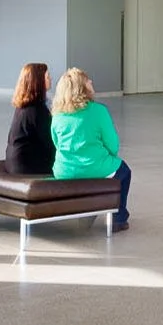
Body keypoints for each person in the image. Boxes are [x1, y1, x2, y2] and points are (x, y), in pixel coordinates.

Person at [50, 66, 130, 231]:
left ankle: (87, 212)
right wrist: (108, 155)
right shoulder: (99, 111)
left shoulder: (57, 115)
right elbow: (113, 145)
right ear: (82, 88)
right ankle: (119, 217)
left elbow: (56, 143)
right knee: (123, 171)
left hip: (64, 171)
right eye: (87, 80)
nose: (91, 81)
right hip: (93, 167)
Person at [4, 62, 56, 176]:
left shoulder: (23, 106)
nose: (50, 79)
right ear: (38, 82)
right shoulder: (36, 110)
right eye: (47, 77)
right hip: (26, 166)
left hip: (13, 162)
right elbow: (50, 141)